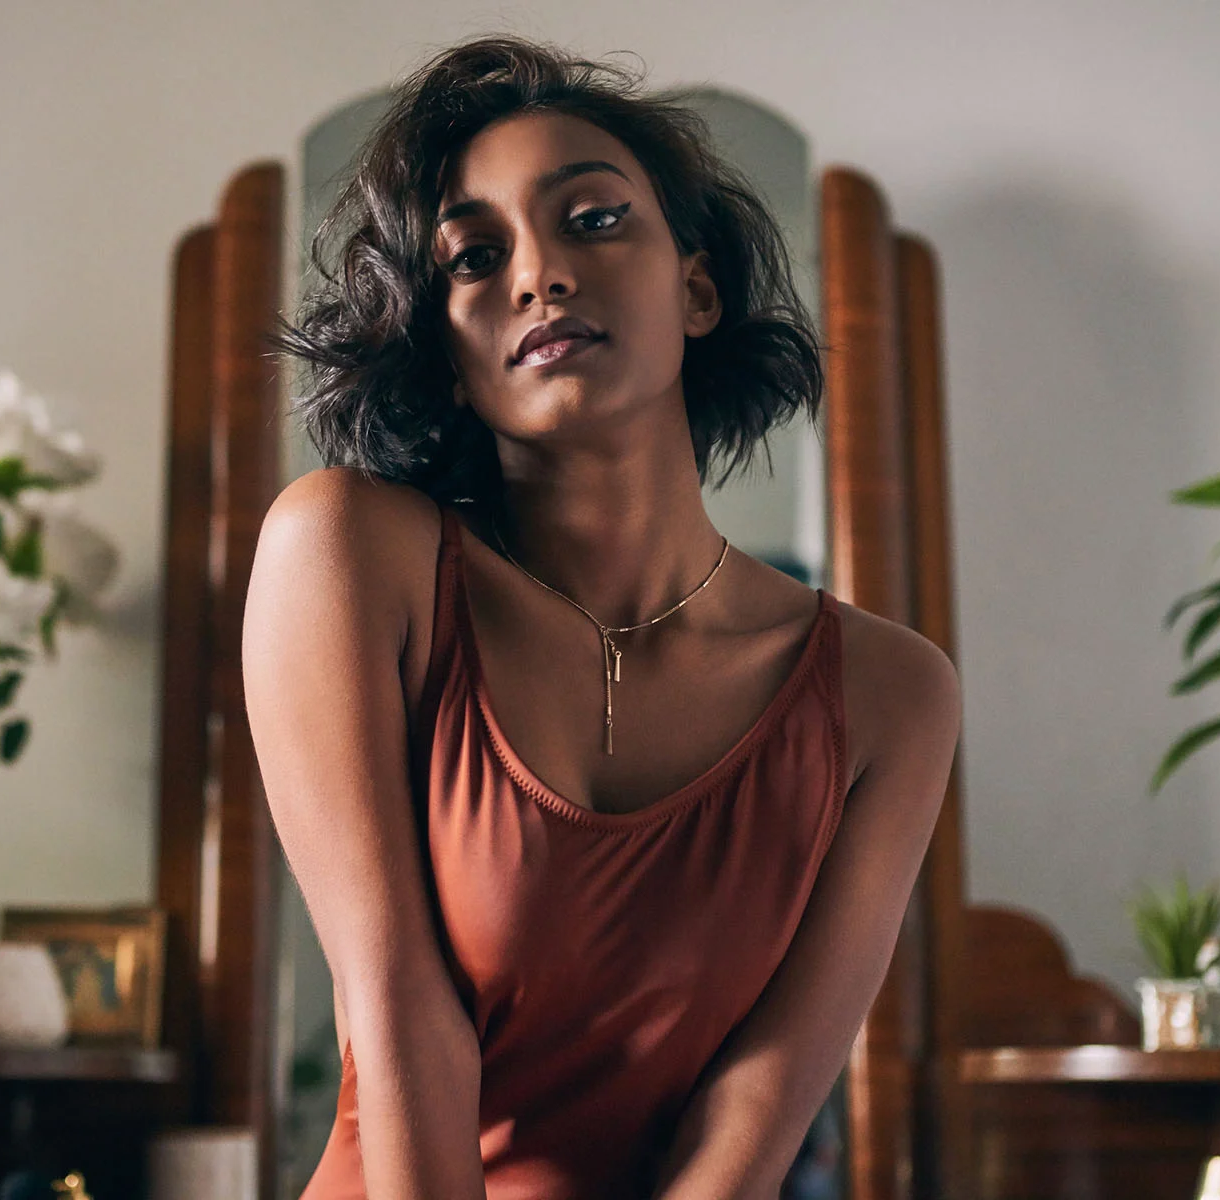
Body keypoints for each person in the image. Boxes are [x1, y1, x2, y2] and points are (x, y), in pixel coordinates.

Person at [242, 35, 961, 1200]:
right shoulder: (347, 555)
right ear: (450, 346)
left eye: (592, 219)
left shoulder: (889, 692)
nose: (536, 274)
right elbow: (399, 1008)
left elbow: (760, 1107)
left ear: (697, 285)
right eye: (475, 258)